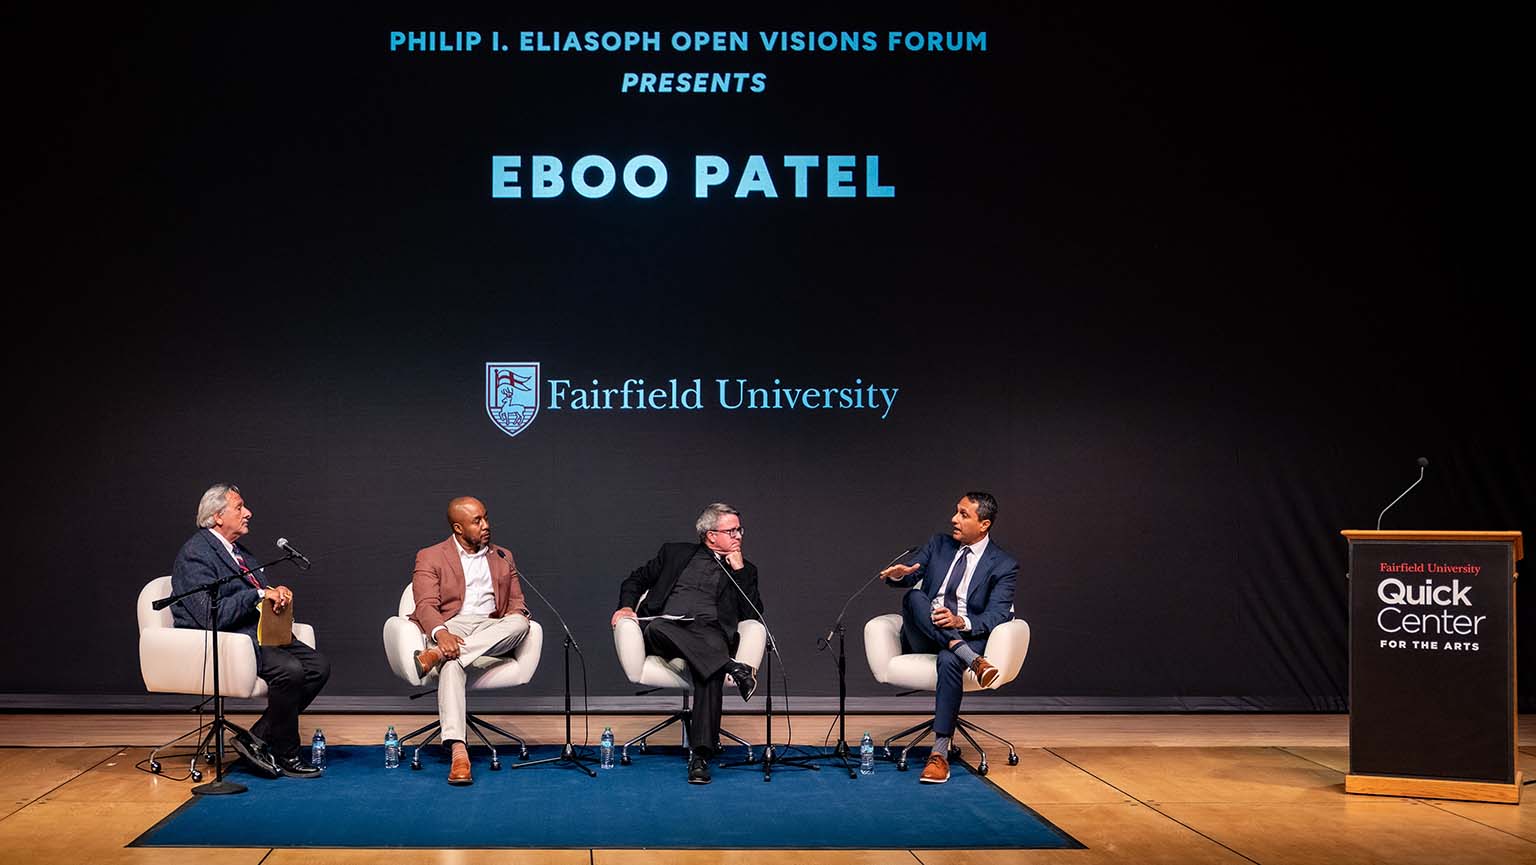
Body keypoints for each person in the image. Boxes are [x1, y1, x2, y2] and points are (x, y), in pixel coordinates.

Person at [171, 483, 330, 779]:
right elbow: (208, 613)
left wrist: (274, 593)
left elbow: (257, 591)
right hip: (228, 640)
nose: (248, 513)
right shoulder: (196, 553)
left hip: (256, 633)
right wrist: (258, 596)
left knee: (318, 666)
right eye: (240, 507)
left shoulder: (239, 552)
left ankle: (256, 737)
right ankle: (285, 753)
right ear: (218, 516)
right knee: (290, 671)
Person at [611, 502, 763, 784]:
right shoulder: (675, 553)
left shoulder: (745, 570)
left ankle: (700, 756)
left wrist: (739, 571)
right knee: (656, 625)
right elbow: (635, 579)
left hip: (711, 634)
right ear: (710, 535)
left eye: (740, 529)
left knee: (709, 669)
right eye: (732, 531)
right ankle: (734, 667)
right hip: (666, 629)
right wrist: (626, 607)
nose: (739, 536)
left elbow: (752, 615)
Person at [879, 491, 1017, 784]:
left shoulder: (1003, 564)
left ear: (984, 524)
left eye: (964, 514)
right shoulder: (939, 544)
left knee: (949, 658)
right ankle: (971, 659)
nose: (954, 519)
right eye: (956, 511)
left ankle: (939, 753)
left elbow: (997, 615)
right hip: (926, 635)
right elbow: (909, 575)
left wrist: (959, 621)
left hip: (967, 634)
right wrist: (898, 575)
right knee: (915, 597)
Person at [410, 496, 532, 785]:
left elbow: (517, 603)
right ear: (458, 527)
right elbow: (425, 605)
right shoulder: (431, 556)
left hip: (494, 629)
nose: (486, 526)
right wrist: (442, 634)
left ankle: (437, 655)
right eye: (477, 521)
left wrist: (516, 615)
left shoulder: (503, 556)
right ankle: (458, 751)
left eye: (486, 518)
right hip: (454, 627)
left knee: (521, 623)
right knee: (454, 666)